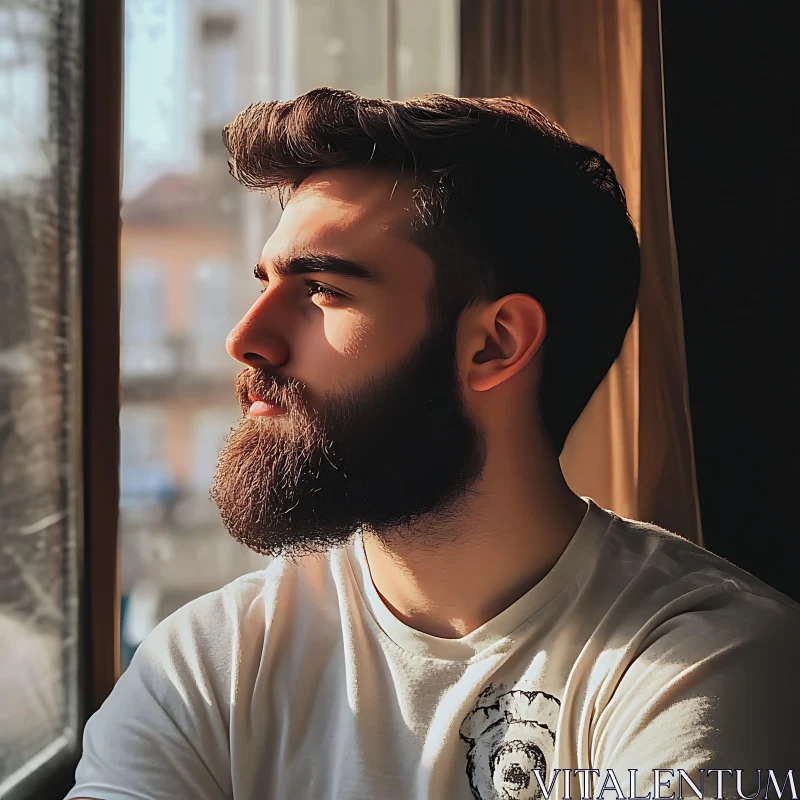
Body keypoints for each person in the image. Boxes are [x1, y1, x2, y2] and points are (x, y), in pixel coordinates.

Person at [67, 89, 799, 800]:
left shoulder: (702, 660)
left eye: (322, 288)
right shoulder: (210, 662)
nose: (244, 337)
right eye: (262, 282)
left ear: (494, 345)